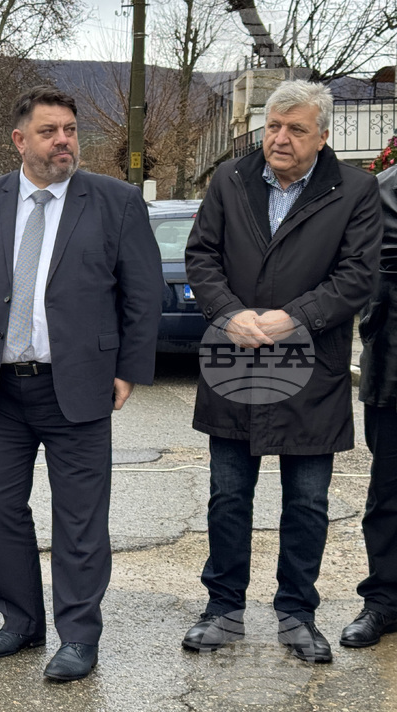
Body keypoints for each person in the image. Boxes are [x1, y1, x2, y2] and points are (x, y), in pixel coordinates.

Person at [0, 85, 162, 681]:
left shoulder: (114, 201)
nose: (63, 140)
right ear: (19, 140)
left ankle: (79, 636)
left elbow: (142, 294)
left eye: (70, 129)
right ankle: (19, 621)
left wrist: (127, 369)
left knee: (80, 517)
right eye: (49, 131)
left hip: (78, 386)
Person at [182, 80, 382, 663]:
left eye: (296, 129)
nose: (280, 138)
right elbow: (202, 257)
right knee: (227, 495)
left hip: (308, 367)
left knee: (307, 502)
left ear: (323, 136)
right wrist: (229, 313)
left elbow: (356, 277)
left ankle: (297, 613)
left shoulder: (355, 189)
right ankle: (223, 610)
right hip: (235, 358)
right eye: (273, 126)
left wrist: (291, 319)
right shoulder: (230, 180)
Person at [341, 163, 397, 648]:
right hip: (394, 370)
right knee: (389, 495)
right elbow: (366, 275)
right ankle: (383, 602)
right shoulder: (382, 191)